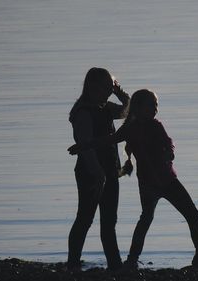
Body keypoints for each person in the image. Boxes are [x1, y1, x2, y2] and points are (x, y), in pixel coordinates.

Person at [68, 89, 198, 268]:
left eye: (156, 105)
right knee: (160, 218)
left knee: (181, 216)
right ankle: (135, 259)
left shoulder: (153, 125)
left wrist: (169, 153)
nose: (155, 108)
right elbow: (110, 139)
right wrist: (84, 146)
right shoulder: (132, 127)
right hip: (157, 183)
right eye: (151, 104)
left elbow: (168, 143)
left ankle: (197, 254)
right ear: (138, 107)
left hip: (160, 180)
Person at [67, 67, 130, 271]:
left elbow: (126, 112)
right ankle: (73, 262)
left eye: (111, 87)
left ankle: (114, 263)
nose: (108, 91)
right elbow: (85, 145)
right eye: (105, 87)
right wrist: (97, 173)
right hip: (90, 172)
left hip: (110, 170)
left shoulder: (105, 108)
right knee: (85, 218)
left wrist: (122, 95)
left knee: (109, 221)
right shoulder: (84, 112)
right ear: (92, 86)